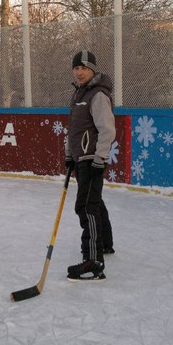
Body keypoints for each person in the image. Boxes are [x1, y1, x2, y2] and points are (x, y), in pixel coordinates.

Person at [65, 49, 115, 282]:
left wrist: (99, 159)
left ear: (93, 69)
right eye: (76, 68)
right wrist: (69, 154)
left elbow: (107, 130)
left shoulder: (97, 95)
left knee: (86, 207)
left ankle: (93, 262)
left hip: (91, 159)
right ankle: (104, 244)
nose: (79, 72)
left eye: (84, 67)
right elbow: (74, 129)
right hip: (81, 158)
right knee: (93, 201)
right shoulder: (79, 95)